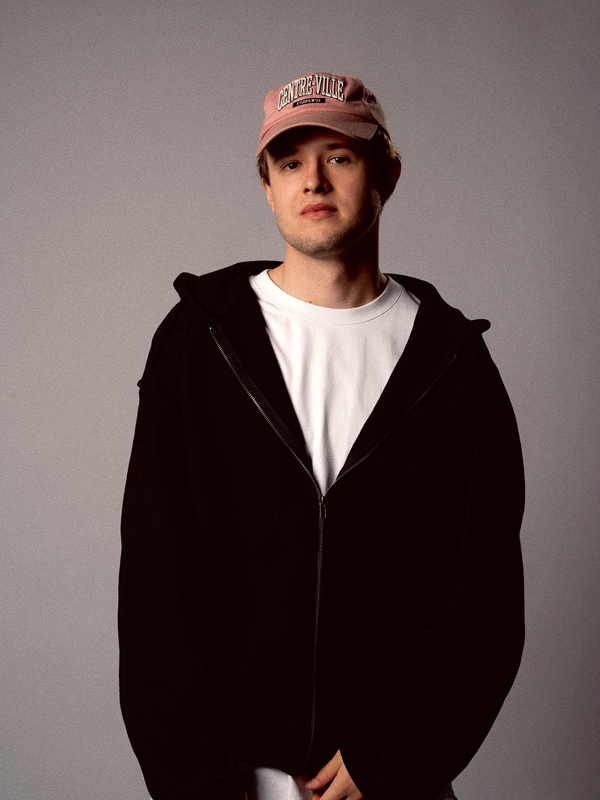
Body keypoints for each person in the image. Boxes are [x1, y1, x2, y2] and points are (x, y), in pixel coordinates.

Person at [118, 72, 525, 800]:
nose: (313, 179)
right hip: (229, 782)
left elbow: (486, 596)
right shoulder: (199, 343)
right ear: (267, 186)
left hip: (390, 782)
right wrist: (194, 780)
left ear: (386, 174)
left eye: (339, 155)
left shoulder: (453, 364)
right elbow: (155, 577)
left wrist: (394, 754)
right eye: (289, 161)